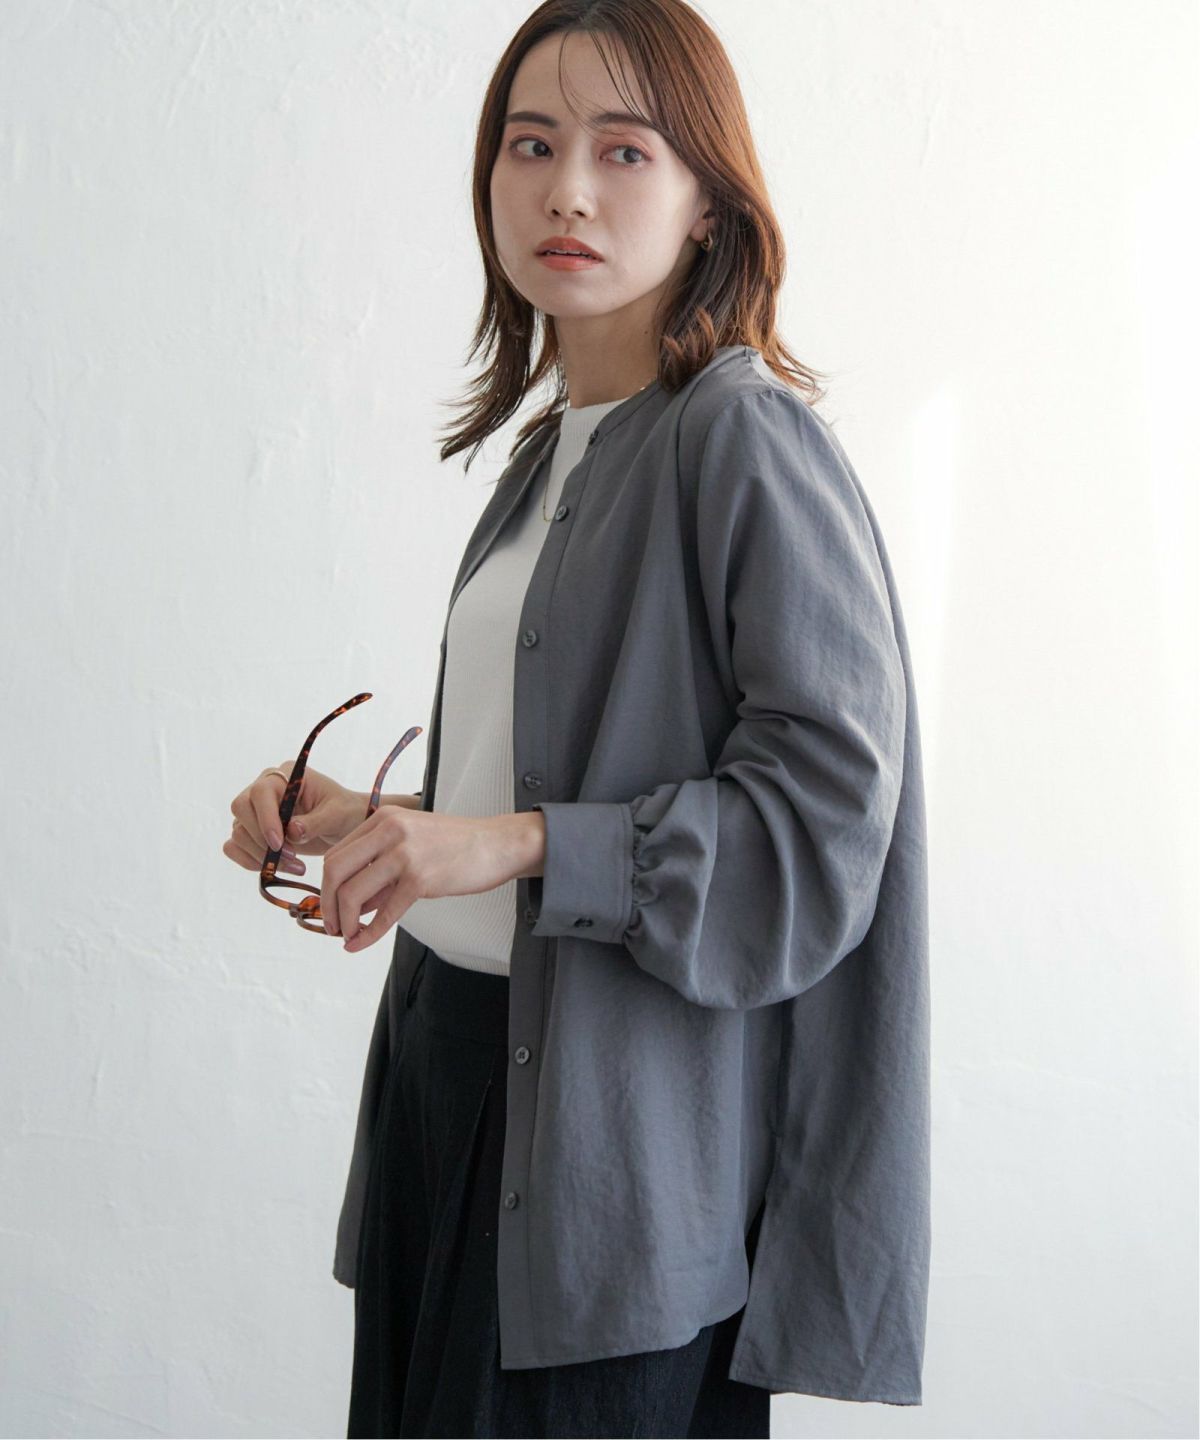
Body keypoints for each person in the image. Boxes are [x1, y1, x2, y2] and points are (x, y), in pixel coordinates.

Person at [225, 3, 931, 1436]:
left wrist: (511, 845)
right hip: (449, 1080)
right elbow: (539, 790)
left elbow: (819, 828)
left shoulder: (742, 438)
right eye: (531, 144)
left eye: (624, 150)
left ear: (708, 199)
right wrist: (379, 824)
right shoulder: (549, 454)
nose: (567, 191)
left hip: (608, 1147)